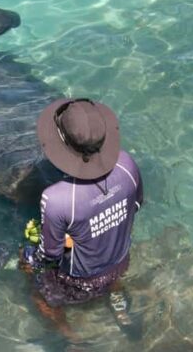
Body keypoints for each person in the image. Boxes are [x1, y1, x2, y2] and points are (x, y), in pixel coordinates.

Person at [20, 98, 143, 337]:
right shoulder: (127, 163)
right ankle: (120, 308)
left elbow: (50, 255)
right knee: (108, 268)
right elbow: (136, 205)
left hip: (82, 281)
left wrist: (30, 258)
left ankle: (71, 337)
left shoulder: (55, 198)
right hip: (119, 262)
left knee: (31, 277)